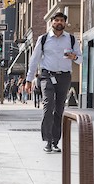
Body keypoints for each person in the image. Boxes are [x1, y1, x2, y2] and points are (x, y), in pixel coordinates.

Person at [25, 12, 82, 153]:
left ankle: (56, 141)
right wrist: (28, 80)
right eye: (56, 20)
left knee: (59, 109)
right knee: (48, 105)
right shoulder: (43, 39)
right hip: (46, 76)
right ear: (51, 23)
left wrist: (74, 56)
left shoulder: (71, 39)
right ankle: (47, 141)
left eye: (61, 20)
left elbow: (80, 59)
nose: (58, 22)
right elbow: (34, 60)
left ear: (65, 23)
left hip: (64, 77)